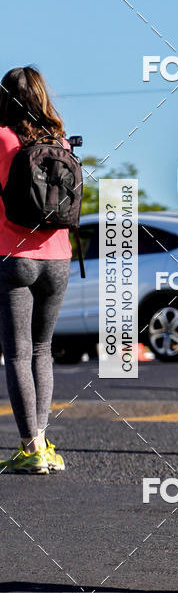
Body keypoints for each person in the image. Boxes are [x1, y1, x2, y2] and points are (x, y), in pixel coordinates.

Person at [0, 67, 72, 475]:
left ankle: (31, 449)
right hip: (58, 258)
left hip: (14, 256)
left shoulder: (2, 138)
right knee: (43, 350)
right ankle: (43, 443)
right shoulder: (60, 141)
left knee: (17, 353)